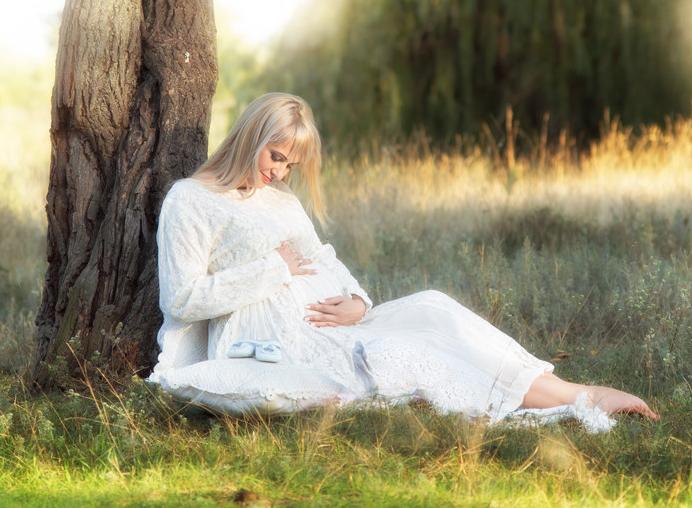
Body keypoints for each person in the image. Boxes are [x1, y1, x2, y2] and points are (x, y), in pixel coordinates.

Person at [150, 93, 657, 426]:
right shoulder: (190, 199)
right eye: (276, 157)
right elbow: (182, 299)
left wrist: (357, 299)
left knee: (434, 309)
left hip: (333, 324)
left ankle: (568, 388)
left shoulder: (280, 201)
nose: (281, 173)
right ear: (251, 137)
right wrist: (275, 268)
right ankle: (577, 402)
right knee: (412, 353)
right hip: (272, 342)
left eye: (291, 164)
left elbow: (321, 257)